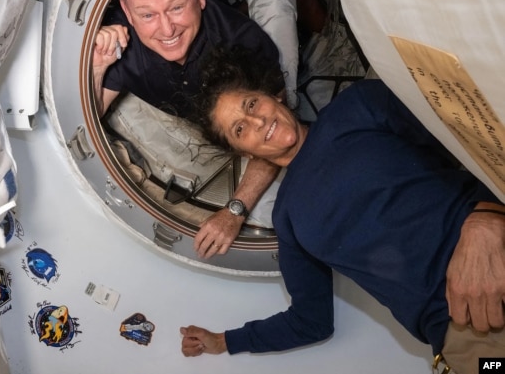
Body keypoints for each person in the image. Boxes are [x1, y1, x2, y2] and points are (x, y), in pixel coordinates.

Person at [180, 47, 505, 374]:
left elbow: (474, 140)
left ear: (274, 96)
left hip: (495, 252)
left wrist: (487, 218)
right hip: (469, 333)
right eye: (240, 129)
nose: (257, 120)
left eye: (252, 104)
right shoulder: (288, 219)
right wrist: (224, 341)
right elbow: (310, 321)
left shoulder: (358, 105)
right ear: (243, 152)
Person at [92, 0, 286, 258]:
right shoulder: (120, 40)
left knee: (276, 7)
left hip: (240, 123)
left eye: (177, 7)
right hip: (185, 121)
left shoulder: (245, 43)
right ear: (127, 11)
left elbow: (278, 134)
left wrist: (234, 211)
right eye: (147, 14)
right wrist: (99, 65)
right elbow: (89, 116)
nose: (166, 28)